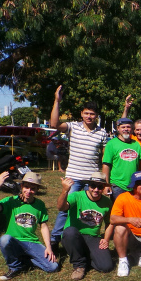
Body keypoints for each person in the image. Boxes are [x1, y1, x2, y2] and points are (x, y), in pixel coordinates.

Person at [49, 85, 109, 247]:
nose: (89, 116)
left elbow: (105, 158)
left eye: (92, 114)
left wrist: (105, 183)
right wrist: (57, 101)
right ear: (81, 114)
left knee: (86, 211)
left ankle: (82, 237)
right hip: (74, 177)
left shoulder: (102, 133)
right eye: (86, 113)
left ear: (97, 116)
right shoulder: (73, 127)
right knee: (65, 208)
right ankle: (55, 238)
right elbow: (54, 124)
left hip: (92, 180)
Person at [0, 171, 58, 281]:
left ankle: (25, 260)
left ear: (37, 190)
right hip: (14, 240)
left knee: (53, 267)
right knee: (5, 239)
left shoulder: (39, 205)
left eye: (33, 188)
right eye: (26, 187)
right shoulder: (11, 201)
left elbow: (43, 226)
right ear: (21, 186)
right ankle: (14, 267)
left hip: (31, 242)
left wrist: (48, 247)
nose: (29, 191)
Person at [58, 172, 114, 280]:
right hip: (75, 235)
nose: (96, 190)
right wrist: (65, 191)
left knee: (106, 266)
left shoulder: (107, 202)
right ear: (88, 185)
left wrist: (106, 239)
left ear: (103, 188)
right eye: (93, 186)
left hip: (93, 237)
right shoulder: (77, 196)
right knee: (69, 232)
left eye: (100, 187)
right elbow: (61, 207)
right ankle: (79, 265)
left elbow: (109, 222)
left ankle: (85, 255)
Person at [102, 117, 141, 202]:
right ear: (118, 128)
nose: (126, 129)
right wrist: (106, 185)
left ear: (132, 129)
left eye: (128, 127)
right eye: (123, 127)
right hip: (118, 185)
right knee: (119, 212)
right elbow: (106, 165)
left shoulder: (135, 144)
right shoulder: (112, 144)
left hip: (134, 185)